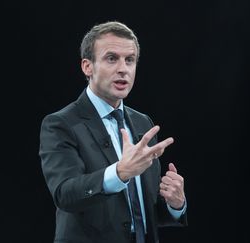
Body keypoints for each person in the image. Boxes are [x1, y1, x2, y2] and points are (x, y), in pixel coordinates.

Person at [39, 21, 187, 243]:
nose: (123, 69)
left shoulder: (142, 123)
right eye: (111, 58)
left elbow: (144, 211)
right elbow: (65, 194)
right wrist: (119, 173)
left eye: (130, 60)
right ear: (87, 66)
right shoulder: (60, 124)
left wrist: (175, 204)